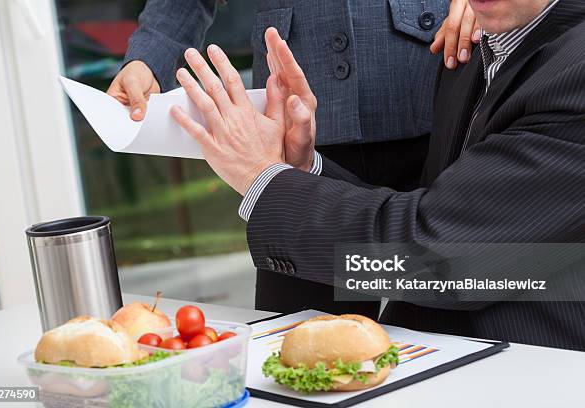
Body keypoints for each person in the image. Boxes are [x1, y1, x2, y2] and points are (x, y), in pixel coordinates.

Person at [168, 0, 585, 351]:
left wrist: (264, 178)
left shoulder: (571, 72)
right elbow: (438, 219)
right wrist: (300, 169)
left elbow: (441, 257)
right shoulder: (473, 49)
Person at [108, 0, 479, 316]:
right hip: (296, 129)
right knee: (303, 350)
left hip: (438, 96)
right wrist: (147, 59)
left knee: (452, 314)